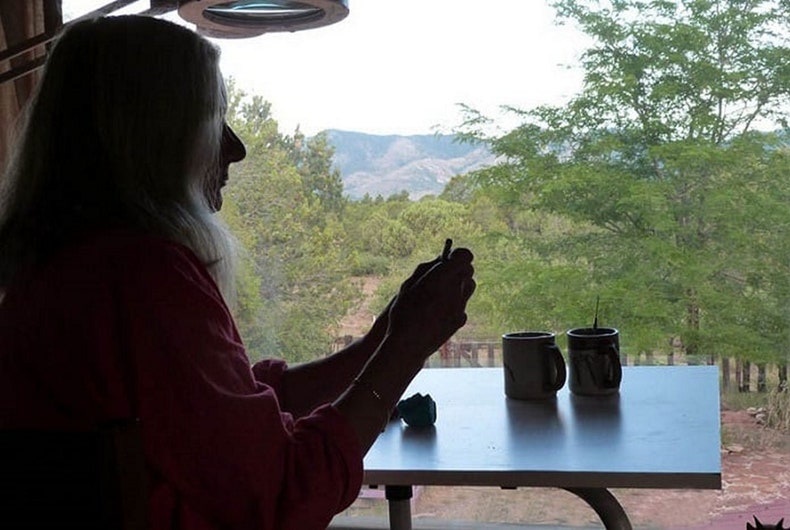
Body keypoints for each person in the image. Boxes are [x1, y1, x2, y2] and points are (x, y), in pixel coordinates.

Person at [0, 15, 475, 530]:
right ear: (152, 137)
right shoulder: (144, 278)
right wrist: (406, 348)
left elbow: (227, 415)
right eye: (212, 120)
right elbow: (283, 494)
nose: (236, 148)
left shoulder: (61, 271)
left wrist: (380, 339)